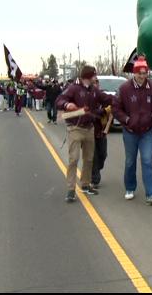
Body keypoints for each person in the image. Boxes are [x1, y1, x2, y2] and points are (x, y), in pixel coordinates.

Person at [56, 65, 114, 203]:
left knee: (89, 159)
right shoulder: (73, 88)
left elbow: (107, 99)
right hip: (75, 128)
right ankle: (71, 189)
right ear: (88, 76)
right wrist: (66, 105)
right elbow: (59, 100)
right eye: (94, 75)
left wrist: (122, 99)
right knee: (74, 158)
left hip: (89, 128)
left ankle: (85, 184)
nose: (96, 77)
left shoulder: (94, 90)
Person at [113, 57, 152, 205]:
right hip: (130, 132)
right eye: (139, 73)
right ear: (134, 73)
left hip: (147, 132)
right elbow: (116, 108)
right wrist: (127, 120)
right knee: (130, 162)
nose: (142, 76)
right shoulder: (124, 89)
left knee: (147, 161)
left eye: (144, 73)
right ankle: (130, 188)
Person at [91, 78, 112, 189]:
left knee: (102, 155)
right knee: (93, 156)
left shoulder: (103, 96)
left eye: (96, 83)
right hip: (89, 131)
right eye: (93, 83)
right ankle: (94, 179)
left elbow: (112, 103)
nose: (95, 85)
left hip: (101, 131)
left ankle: (95, 170)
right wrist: (103, 111)